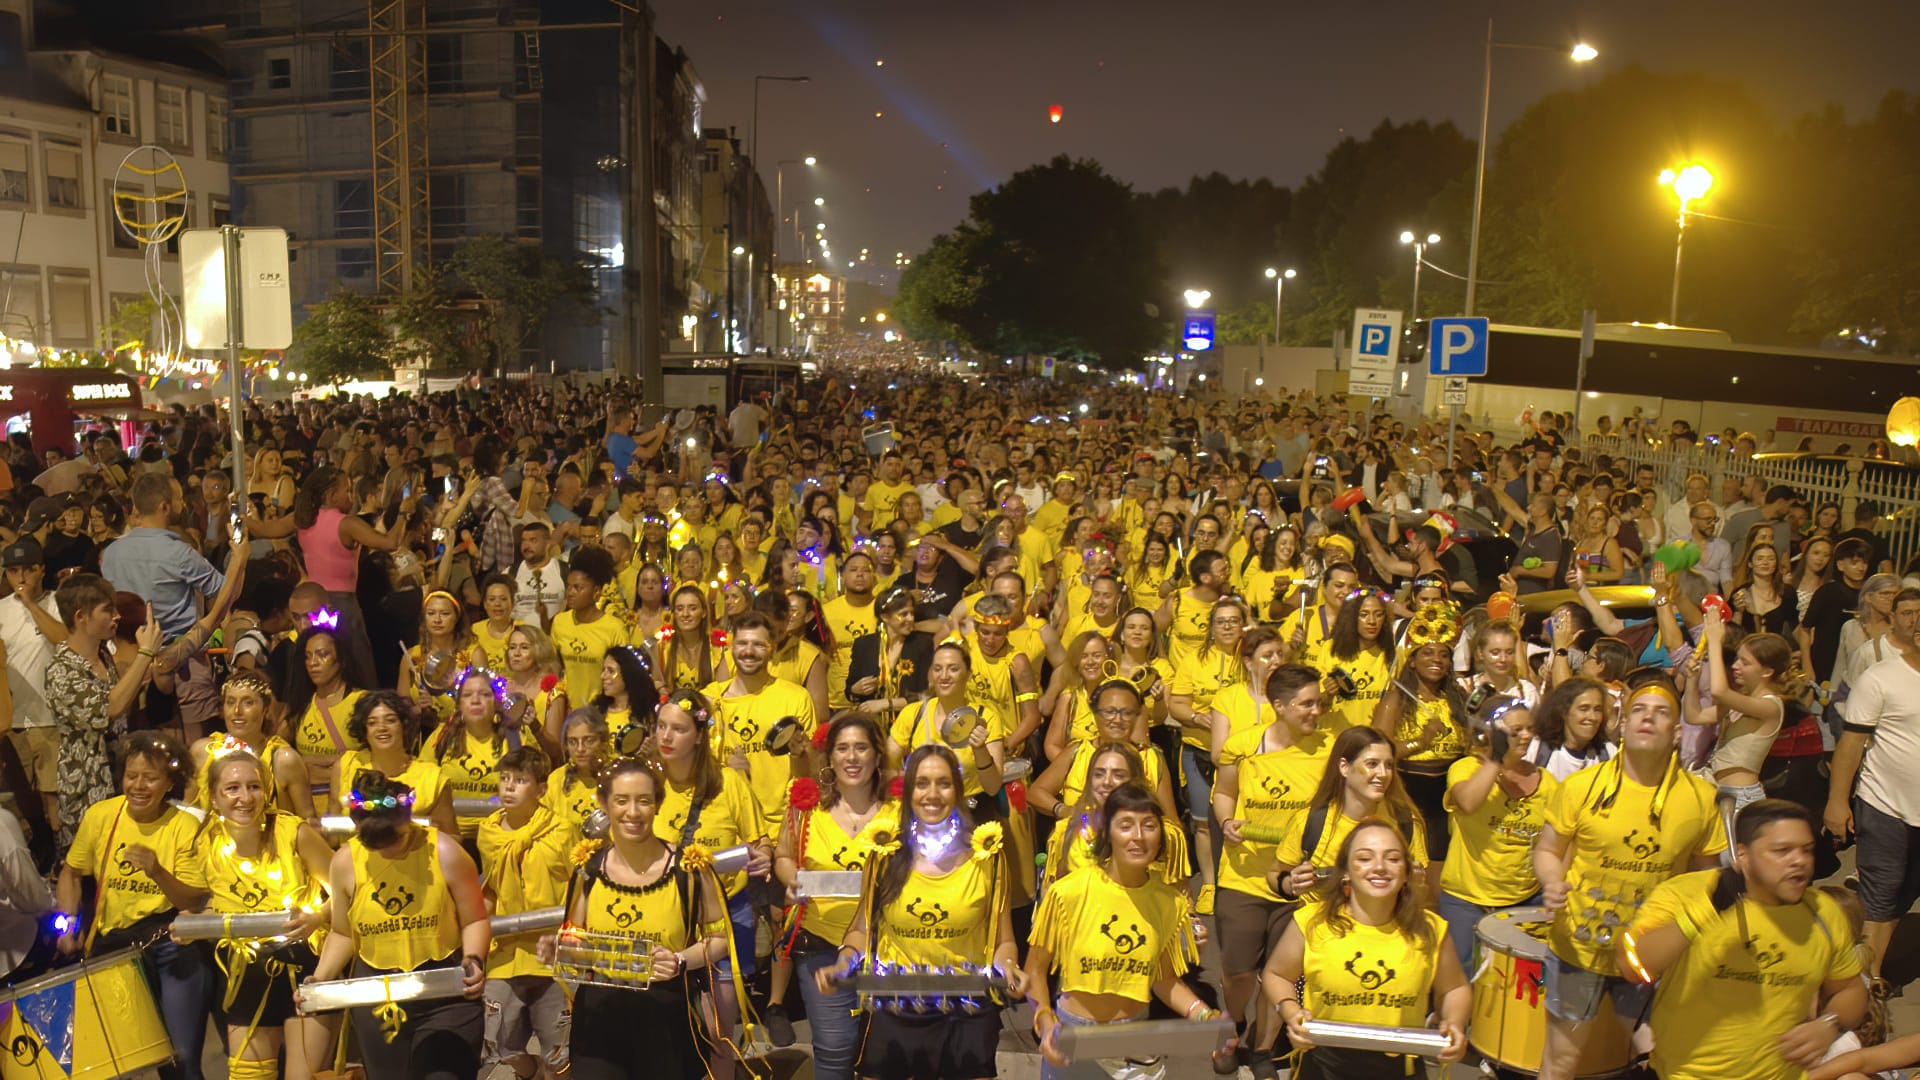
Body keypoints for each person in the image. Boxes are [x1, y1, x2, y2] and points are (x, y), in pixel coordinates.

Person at [1531, 674, 1729, 1080]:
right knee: (1563, 1060)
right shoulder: (1582, 787)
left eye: (1660, 713)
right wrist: (1552, 882)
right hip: (1577, 950)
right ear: (1621, 725)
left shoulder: (1700, 797)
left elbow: (1706, 879)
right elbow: (1548, 850)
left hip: (1650, 953)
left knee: (1659, 1057)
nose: (1647, 719)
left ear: (1676, 732)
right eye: (1638, 710)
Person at [815, 744, 1029, 1080]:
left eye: (943, 783)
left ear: (957, 791)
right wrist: (843, 965)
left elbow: (1003, 942)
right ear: (909, 790)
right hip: (895, 1008)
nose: (932, 794)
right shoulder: (885, 854)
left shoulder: (987, 856)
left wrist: (1011, 970)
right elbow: (861, 930)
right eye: (922, 783)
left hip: (966, 1011)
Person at [1620, 800, 1867, 1080]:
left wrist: (1829, 1024)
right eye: (1782, 850)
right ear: (1743, 856)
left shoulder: (1824, 912)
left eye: (1806, 850)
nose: (1799, 860)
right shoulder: (1686, 894)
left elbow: (1851, 990)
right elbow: (1634, 964)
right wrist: (1707, 910)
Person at [548, 755, 727, 1080]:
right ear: (604, 804)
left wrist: (680, 960)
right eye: (621, 801)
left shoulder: (689, 870)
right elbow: (573, 938)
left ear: (657, 804)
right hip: (599, 1019)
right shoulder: (588, 870)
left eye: (643, 801)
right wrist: (560, 949)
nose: (633, 812)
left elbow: (720, 939)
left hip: (667, 1015)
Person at [1024, 783, 1217, 1080]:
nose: (1138, 837)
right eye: (1126, 825)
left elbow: (1164, 980)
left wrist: (1204, 1016)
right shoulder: (1069, 893)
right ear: (1108, 834)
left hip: (1133, 1045)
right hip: (1072, 1038)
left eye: (1149, 826)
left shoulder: (1170, 903)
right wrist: (1045, 1021)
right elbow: (1035, 971)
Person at [310, 770, 489, 1080]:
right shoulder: (345, 862)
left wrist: (474, 959)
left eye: (396, 838)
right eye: (376, 843)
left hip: (443, 988)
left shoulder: (445, 852)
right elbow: (343, 932)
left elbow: (474, 918)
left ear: (408, 820)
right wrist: (320, 979)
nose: (388, 849)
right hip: (378, 994)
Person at [54, 733, 212, 1080]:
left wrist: (157, 871)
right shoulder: (101, 815)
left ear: (170, 782)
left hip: (170, 944)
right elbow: (71, 873)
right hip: (115, 948)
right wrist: (67, 923)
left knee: (180, 1060)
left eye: (150, 778)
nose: (138, 786)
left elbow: (194, 900)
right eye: (131, 775)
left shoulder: (184, 826)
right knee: (121, 1063)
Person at [1262, 818, 1471, 1079]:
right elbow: (1277, 974)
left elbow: (1455, 988)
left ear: (1406, 872)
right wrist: (1290, 1012)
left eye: (1393, 859)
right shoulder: (1313, 922)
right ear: (1346, 871)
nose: (1380, 867)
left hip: (1399, 1068)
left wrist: (1454, 1022)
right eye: (1364, 858)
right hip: (1325, 1065)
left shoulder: (1429, 929)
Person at [178, 748, 337, 1080]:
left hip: (307, 966)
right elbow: (200, 903)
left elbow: (350, 893)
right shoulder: (202, 843)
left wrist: (318, 917)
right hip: (244, 971)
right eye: (232, 788)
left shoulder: (294, 832)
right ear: (214, 797)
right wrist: (191, 924)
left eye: (254, 786)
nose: (245, 798)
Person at [1210, 663, 1331, 1073]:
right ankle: (1232, 1023)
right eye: (1307, 704)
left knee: (1283, 975)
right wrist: (1227, 822)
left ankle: (1262, 1048)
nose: (1316, 711)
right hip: (1243, 878)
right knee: (1238, 972)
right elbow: (1224, 793)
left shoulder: (1331, 750)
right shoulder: (1242, 746)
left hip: (1297, 883)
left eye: (1319, 702)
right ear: (1279, 706)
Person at [651, 689, 772, 1076]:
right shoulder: (646, 784)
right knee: (667, 1026)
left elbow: (760, 842)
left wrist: (764, 856)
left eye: (679, 729)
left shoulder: (729, 783)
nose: (666, 737)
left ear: (700, 735)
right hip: (666, 915)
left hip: (726, 912)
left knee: (720, 1029)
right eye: (661, 727)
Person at [774, 713, 895, 1080]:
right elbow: (782, 855)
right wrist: (791, 878)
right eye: (842, 748)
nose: (852, 757)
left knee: (886, 1052)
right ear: (829, 758)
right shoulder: (806, 809)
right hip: (821, 943)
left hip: (887, 947)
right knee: (834, 1047)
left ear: (877, 756)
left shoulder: (901, 811)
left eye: (861, 748)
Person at [1824, 599, 1920, 998]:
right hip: (1885, 805)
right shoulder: (1881, 677)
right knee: (1881, 890)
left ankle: (1868, 970)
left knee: (1903, 893)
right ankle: (1861, 981)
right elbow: (1851, 745)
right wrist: (1837, 802)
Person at [476, 746, 576, 1080]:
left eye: (520, 780)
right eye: (505, 778)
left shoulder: (561, 831)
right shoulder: (488, 833)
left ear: (542, 789)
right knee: (499, 1042)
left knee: (559, 1052)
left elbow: (580, 889)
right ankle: (528, 1070)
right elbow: (489, 890)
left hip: (552, 954)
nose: (509, 787)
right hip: (505, 953)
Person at [47, 574, 164, 854]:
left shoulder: (104, 656)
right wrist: (145, 653)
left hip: (120, 779)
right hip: (87, 791)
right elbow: (110, 709)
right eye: (108, 610)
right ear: (81, 617)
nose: (117, 616)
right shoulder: (62, 670)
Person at [1438, 693, 1554, 965]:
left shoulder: (1547, 782)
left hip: (1524, 900)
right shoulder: (1465, 768)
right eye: (1515, 731)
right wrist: (1494, 758)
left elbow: (1556, 841)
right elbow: (1468, 802)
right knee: (1462, 980)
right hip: (1467, 900)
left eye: (1529, 728)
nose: (1526, 736)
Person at [1683, 614, 1799, 810]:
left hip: (1740, 797)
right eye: (1737, 659)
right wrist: (1692, 680)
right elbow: (1694, 716)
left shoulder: (1771, 706)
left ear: (1767, 671)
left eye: (1745, 663)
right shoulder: (1740, 698)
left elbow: (1719, 691)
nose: (1735, 666)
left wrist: (1714, 643)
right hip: (1716, 789)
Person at [190, 672, 316, 823]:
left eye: (248, 702)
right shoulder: (202, 752)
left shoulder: (283, 760)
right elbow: (187, 814)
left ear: (265, 709)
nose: (237, 711)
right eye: (230, 702)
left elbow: (309, 821)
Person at [1, 535, 63, 842]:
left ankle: (59, 851)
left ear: (41, 569)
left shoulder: (58, 603)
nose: (20, 576)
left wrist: (29, 603)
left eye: (27, 568)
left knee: (52, 791)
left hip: (49, 715)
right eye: (13, 571)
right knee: (23, 793)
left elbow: (63, 639)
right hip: (13, 719)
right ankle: (40, 845)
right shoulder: (1, 610)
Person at [330, 690, 458, 834]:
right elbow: (331, 835)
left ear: (404, 725)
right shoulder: (346, 766)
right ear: (364, 730)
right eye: (372, 723)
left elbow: (452, 838)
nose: (381, 728)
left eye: (390, 720)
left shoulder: (433, 779)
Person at [284, 625, 370, 790]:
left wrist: (314, 769)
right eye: (308, 656)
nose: (313, 663)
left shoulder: (362, 702)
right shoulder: (302, 704)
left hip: (349, 799)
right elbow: (276, 751)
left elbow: (378, 760)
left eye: (322, 654)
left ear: (342, 659)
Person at [548, 545, 632, 710]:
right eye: (569, 586)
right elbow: (555, 667)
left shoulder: (614, 628)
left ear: (596, 592)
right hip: (567, 710)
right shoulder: (560, 622)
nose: (570, 592)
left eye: (578, 588)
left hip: (601, 711)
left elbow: (623, 676)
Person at [1527, 674, 1616, 779]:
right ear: (1564, 712)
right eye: (1584, 708)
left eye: (1598, 710)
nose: (1593, 717)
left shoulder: (1609, 754)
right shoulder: (1537, 750)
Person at [542, 708, 610, 831]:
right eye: (573, 742)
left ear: (603, 741)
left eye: (588, 740)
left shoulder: (617, 776)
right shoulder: (556, 779)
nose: (580, 749)